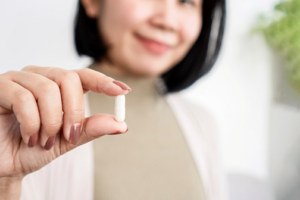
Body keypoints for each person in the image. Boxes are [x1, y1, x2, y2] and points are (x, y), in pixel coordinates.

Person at [0, 0, 226, 199]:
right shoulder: (34, 125)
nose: (167, 21)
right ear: (92, 1)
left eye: (187, 1)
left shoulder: (204, 126)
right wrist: (4, 184)